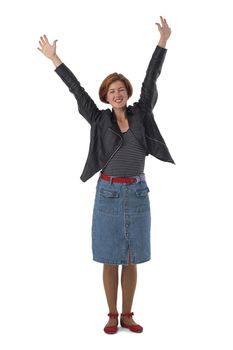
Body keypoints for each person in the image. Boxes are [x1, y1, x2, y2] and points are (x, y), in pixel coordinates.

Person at [38, 16, 175, 334]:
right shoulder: (98, 120)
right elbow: (77, 90)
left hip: (138, 192)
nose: (117, 93)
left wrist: (163, 41)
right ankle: (112, 315)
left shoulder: (141, 114)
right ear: (106, 95)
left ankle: (128, 314)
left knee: (132, 258)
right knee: (109, 257)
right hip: (108, 193)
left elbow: (151, 79)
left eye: (121, 89)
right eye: (112, 90)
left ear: (127, 93)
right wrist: (54, 59)